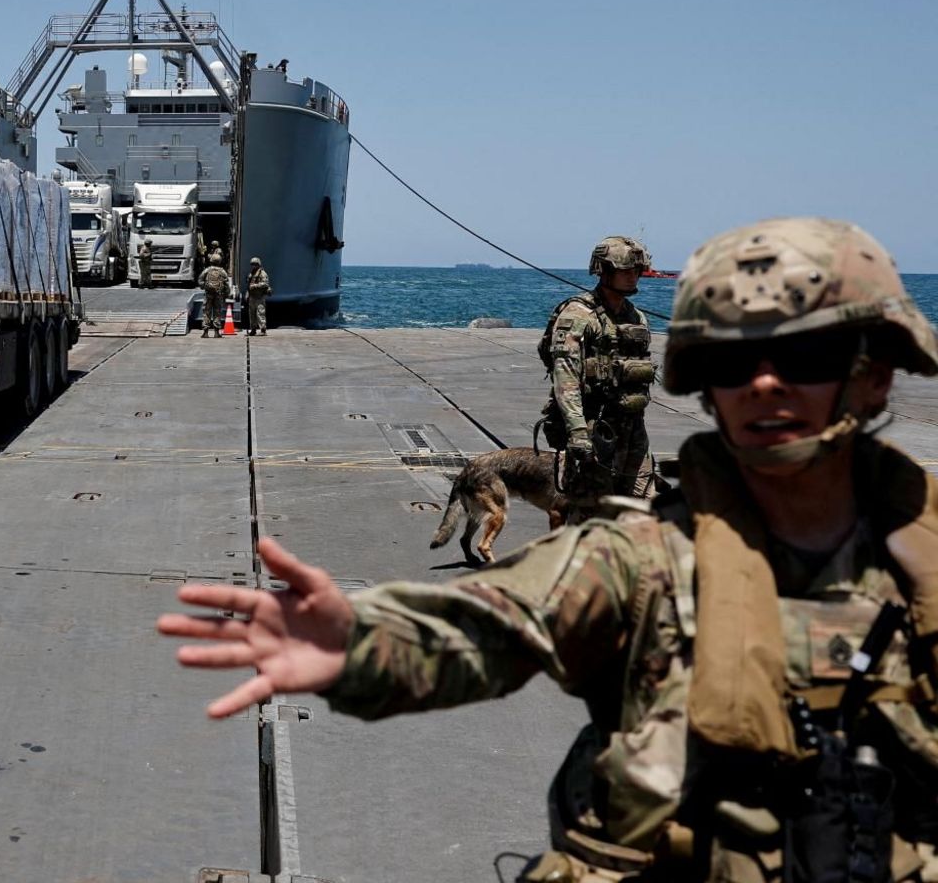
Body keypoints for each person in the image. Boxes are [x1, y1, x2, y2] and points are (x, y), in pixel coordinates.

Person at [159, 218, 938, 881]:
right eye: (734, 363)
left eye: (805, 358)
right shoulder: (646, 554)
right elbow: (497, 619)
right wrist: (359, 641)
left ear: (874, 378)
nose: (765, 385)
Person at [543, 237, 659, 508]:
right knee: (593, 515)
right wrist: (577, 431)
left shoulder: (635, 317)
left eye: (637, 271)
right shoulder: (579, 315)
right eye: (626, 271)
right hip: (596, 431)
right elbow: (566, 375)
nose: (633, 278)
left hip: (633, 430)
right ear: (604, 271)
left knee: (646, 509)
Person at [198, 259, 230, 337]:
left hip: (208, 294)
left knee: (206, 312)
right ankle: (216, 333)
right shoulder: (222, 271)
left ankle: (205, 332)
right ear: (219, 262)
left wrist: (204, 286)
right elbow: (226, 283)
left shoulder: (207, 270)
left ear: (211, 261)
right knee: (217, 313)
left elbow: (200, 280)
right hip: (218, 295)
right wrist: (226, 294)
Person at [245, 256, 271, 336]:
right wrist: (247, 293)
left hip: (259, 297)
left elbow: (266, 283)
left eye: (255, 264)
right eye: (252, 264)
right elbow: (249, 285)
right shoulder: (251, 273)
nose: (253, 266)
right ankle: (253, 329)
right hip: (252, 296)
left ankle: (263, 330)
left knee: (260, 313)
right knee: (252, 314)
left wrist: (255, 286)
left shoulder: (262, 273)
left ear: (258, 264)